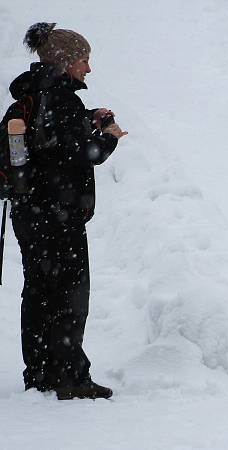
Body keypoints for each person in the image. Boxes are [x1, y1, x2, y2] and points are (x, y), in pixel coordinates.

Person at [7, 23, 127, 400]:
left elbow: (50, 138)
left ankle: (40, 373)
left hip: (29, 212)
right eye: (84, 59)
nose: (88, 69)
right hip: (58, 216)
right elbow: (81, 154)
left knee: (40, 292)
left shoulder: (32, 94)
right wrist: (108, 137)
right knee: (70, 295)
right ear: (65, 61)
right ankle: (70, 377)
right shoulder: (60, 98)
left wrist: (87, 115)